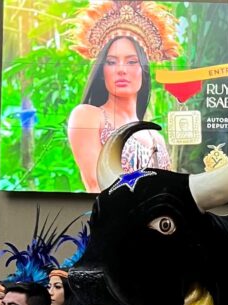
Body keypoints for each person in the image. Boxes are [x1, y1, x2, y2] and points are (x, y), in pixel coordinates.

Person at [67, 1, 180, 192]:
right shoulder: (88, 116)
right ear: (102, 71)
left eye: (131, 61)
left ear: (143, 70)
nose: (121, 70)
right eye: (111, 62)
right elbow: (98, 184)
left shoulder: (156, 138)